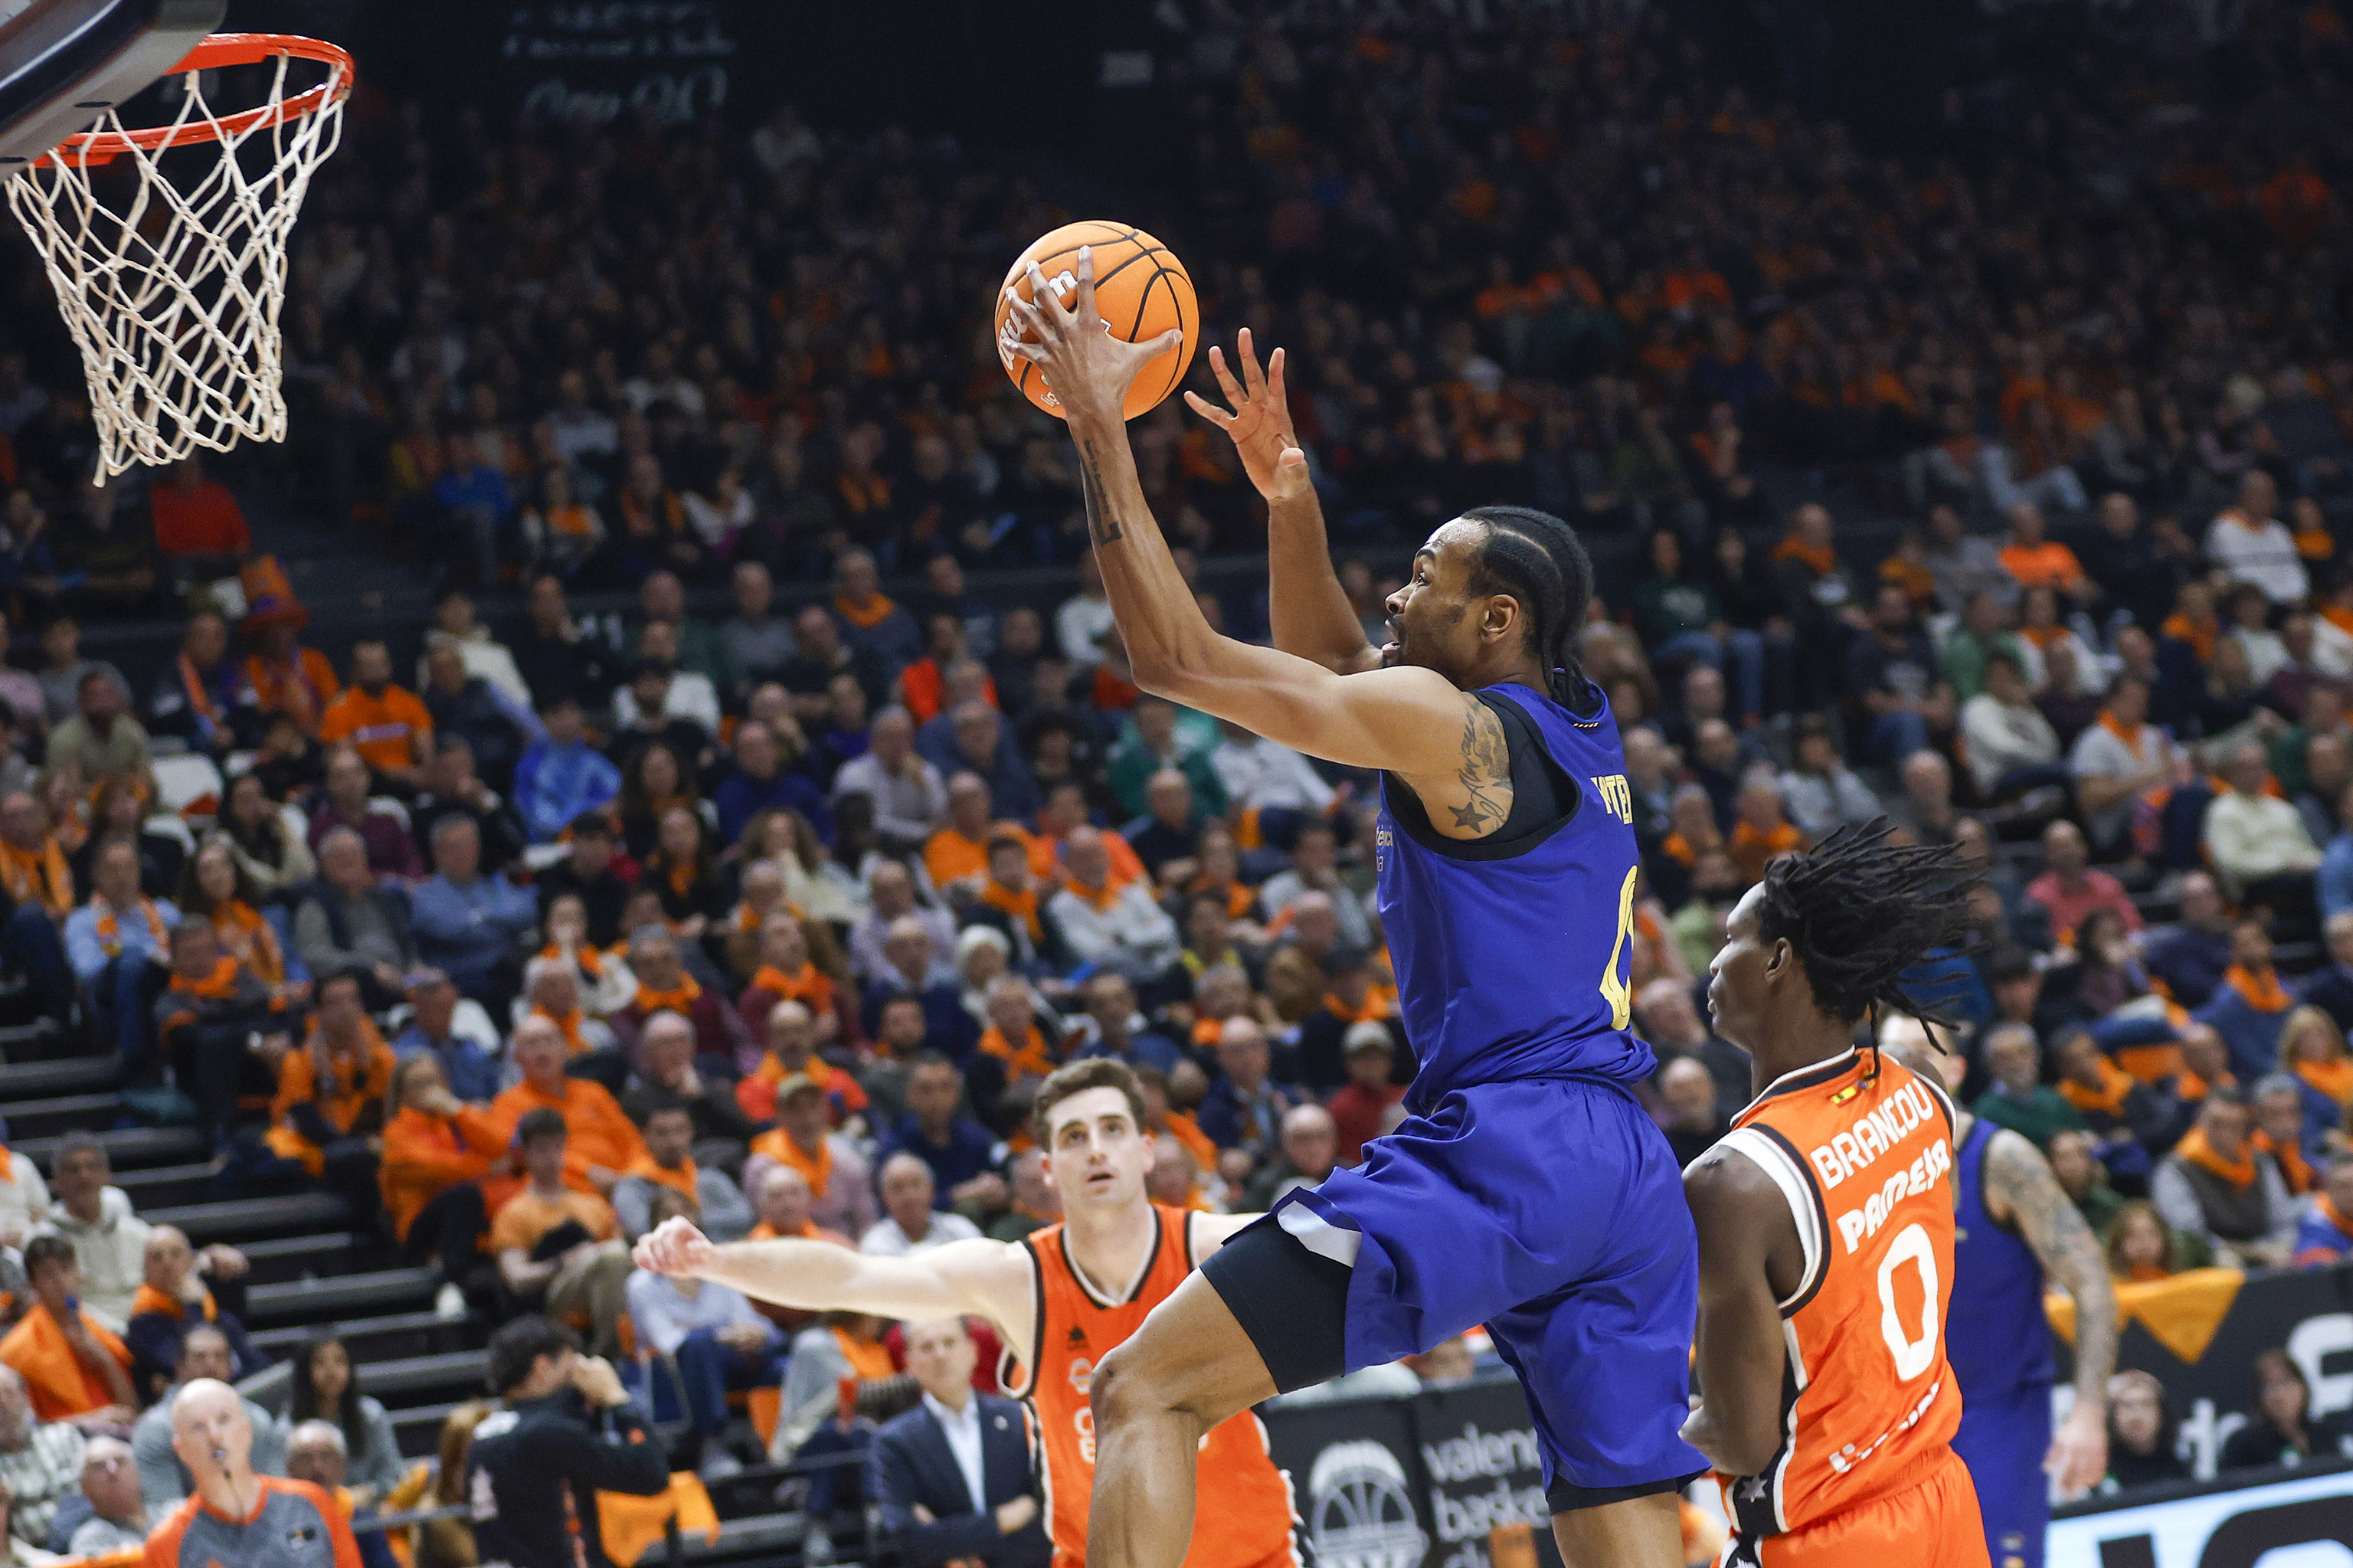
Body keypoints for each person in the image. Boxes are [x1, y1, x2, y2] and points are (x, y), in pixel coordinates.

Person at [1009, 310, 1710, 1563]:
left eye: (1428, 579)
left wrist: (1100, 432)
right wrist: (1289, 497)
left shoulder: (1460, 734)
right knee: (1619, 1512)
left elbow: (1170, 656)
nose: (1401, 590)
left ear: (1494, 620)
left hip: (1514, 1147)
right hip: (1622, 1169)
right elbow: (1334, 660)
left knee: (1142, 1389)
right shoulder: (1565, 718)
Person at [634, 1059, 1295, 1568]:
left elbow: (1346, 1232)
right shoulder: (1017, 1277)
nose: (1095, 1149)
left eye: (1112, 1130)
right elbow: (852, 1274)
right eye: (1074, 1135)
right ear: (1047, 1165)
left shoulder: (1213, 1247)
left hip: (1250, 1554)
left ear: (1147, 1151)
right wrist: (713, 1260)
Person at [1683, 825, 1988, 1563]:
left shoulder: (1734, 1183)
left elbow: (1744, 1435)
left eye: (1731, 942)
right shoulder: (1921, 1090)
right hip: (1943, 1496)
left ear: (1781, 958)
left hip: (1830, 1535)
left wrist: (1650, 1411)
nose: (1716, 964)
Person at [1884, 1021, 2116, 1568]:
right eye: (1884, 1057)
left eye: (1918, 1053)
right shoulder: (1865, 1169)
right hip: (1897, 1421)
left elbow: (2092, 1281)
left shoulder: (2001, 1158)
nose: (1900, 1069)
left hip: (1995, 1413)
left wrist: (2087, 1409)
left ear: (1957, 1069)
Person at [463, 1316, 672, 1568]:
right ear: (541, 1367)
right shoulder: (547, 1432)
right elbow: (651, 1473)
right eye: (571, 1365)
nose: (577, 1375)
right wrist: (617, 1399)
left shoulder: (482, 1435)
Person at [620, 1190, 784, 1478]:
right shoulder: (642, 1284)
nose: (679, 1223)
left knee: (779, 1346)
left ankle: (785, 1443)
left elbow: (747, 1320)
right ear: (654, 1228)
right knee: (699, 1346)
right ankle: (712, 1445)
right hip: (677, 1372)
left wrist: (754, 1334)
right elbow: (668, 1341)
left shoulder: (717, 1269)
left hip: (732, 1357)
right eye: (668, 1216)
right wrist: (721, 1335)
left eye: (686, 1214)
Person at [869, 1316, 1051, 1568]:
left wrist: (949, 1538)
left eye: (949, 1342)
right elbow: (909, 1537)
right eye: (927, 1347)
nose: (940, 1355)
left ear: (972, 1351)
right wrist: (1002, 1520)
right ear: (908, 1362)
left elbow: (1047, 1511)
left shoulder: (1020, 1418)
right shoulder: (894, 1441)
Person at [143, 1378, 361, 1568]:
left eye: (223, 1420)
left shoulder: (311, 1501)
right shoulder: (167, 1544)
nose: (214, 1436)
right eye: (198, 1427)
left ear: (247, 1430)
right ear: (180, 1449)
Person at [490, 1110, 636, 1356]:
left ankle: (615, 1349)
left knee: (619, 1257)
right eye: (541, 1149)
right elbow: (517, 1277)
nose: (551, 1158)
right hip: (551, 1297)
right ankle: (610, 1354)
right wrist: (563, 1262)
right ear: (525, 1155)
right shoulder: (514, 1212)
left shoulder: (592, 1204)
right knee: (610, 1257)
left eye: (557, 1148)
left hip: (600, 1284)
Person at [129, 1325, 286, 1511]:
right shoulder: (155, 1429)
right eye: (199, 1357)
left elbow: (275, 1496)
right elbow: (164, 1510)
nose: (210, 1365)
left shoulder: (257, 1420)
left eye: (219, 1357)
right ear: (180, 1367)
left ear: (230, 1366)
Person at [2152, 1087, 2298, 1268]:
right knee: (2227, 1262)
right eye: (2217, 1124)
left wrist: (2282, 1246)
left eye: (2234, 1125)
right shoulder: (2176, 1170)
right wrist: (2253, 1251)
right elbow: (2191, 1237)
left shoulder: (2261, 1162)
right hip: (2211, 1261)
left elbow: (2283, 1221)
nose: (2225, 1132)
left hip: (2265, 1251)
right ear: (2200, 1123)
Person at [0, 1238, 133, 1428]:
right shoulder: (16, 1350)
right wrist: (89, 1421)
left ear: (78, 1272)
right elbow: (24, 1428)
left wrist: (105, 1360)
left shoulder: (99, 1330)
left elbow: (133, 1408)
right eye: (48, 1275)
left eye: (66, 1269)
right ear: (33, 1284)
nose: (61, 1282)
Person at [280, 1334, 403, 1506]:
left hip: (366, 1511)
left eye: (339, 1361)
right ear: (304, 1371)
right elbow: (281, 1486)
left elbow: (393, 1475)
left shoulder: (371, 1415)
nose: (331, 1371)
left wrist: (370, 1492)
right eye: (320, 1362)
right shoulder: (287, 1428)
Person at [282, 1420, 398, 1568]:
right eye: (306, 1458)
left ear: (341, 1465)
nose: (317, 1466)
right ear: (289, 1467)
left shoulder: (363, 1521)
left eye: (326, 1456)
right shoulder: (276, 1522)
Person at [2219, 1348, 2353, 1471]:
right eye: (2271, 1387)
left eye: (2287, 1383)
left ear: (2303, 1388)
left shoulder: (2324, 1435)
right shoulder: (2243, 1445)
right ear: (2258, 1396)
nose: (2280, 1395)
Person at [0, 1367, 83, 1552]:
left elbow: (92, 1495)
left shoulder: (63, 1437)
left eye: (8, 1393)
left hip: (86, 1542)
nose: (2, 1405)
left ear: (25, 1396)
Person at [861, 1154, 984, 1256]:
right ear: (884, 1197)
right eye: (897, 1187)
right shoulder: (875, 1245)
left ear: (931, 1188)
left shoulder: (961, 1231)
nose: (909, 1195)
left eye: (916, 1184)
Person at [2103, 1372, 2188, 1491]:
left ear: (2161, 1413)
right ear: (2112, 1416)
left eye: (2146, 1404)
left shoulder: (2179, 1472)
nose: (2136, 1415)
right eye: (2127, 1405)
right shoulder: (2098, 1475)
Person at [63, 1435, 145, 1558]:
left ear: (137, 1471)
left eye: (120, 1461)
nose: (113, 1470)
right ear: (83, 1485)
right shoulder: (91, 1540)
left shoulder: (170, 1513)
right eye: (99, 1466)